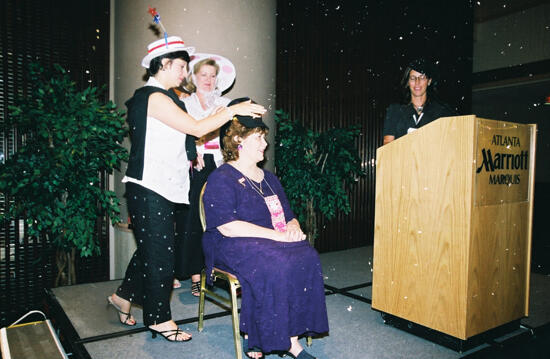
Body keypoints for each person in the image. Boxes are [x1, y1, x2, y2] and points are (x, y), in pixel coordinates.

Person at [106, 36, 265, 342]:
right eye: (180, 66)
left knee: (153, 249)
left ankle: (123, 296)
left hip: (163, 187)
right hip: (151, 186)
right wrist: (236, 109)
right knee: (162, 257)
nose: (184, 73)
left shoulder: (162, 97)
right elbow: (195, 129)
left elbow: (186, 137)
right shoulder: (153, 97)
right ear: (163, 64)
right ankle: (158, 320)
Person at [202, 97, 329, 359]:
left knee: (307, 255)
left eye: (264, 137)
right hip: (231, 243)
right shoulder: (221, 177)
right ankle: (277, 340)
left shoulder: (269, 178)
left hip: (269, 240)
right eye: (258, 138)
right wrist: (278, 236)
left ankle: (282, 335)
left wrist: (293, 228)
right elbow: (227, 226)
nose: (265, 144)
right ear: (238, 140)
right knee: (275, 262)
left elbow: (288, 215)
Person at [174, 54, 236, 295]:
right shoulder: (184, 103)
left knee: (217, 218)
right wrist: (191, 152)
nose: (208, 79)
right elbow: (180, 134)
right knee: (191, 219)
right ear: (194, 77)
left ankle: (216, 269)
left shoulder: (225, 103)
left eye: (212, 75)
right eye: (204, 75)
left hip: (218, 164)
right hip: (193, 164)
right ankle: (194, 273)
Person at [383, 58, 456, 145]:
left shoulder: (442, 111)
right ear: (408, 82)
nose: (417, 82)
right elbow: (388, 143)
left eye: (422, 78)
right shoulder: (395, 110)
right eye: (413, 78)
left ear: (429, 81)